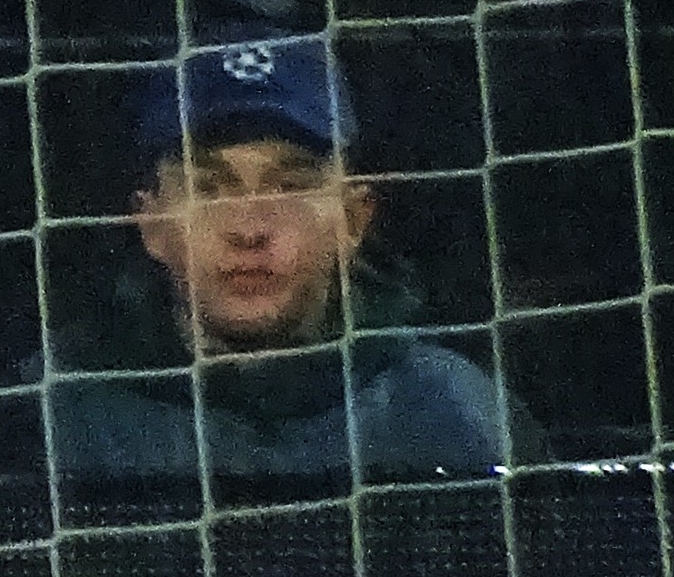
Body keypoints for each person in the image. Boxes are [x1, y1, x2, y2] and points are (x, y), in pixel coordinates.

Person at [29, 36, 518, 485]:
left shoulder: (454, 411)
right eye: (209, 188)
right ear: (151, 223)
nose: (248, 229)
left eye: (291, 186)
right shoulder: (49, 412)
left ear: (353, 219)